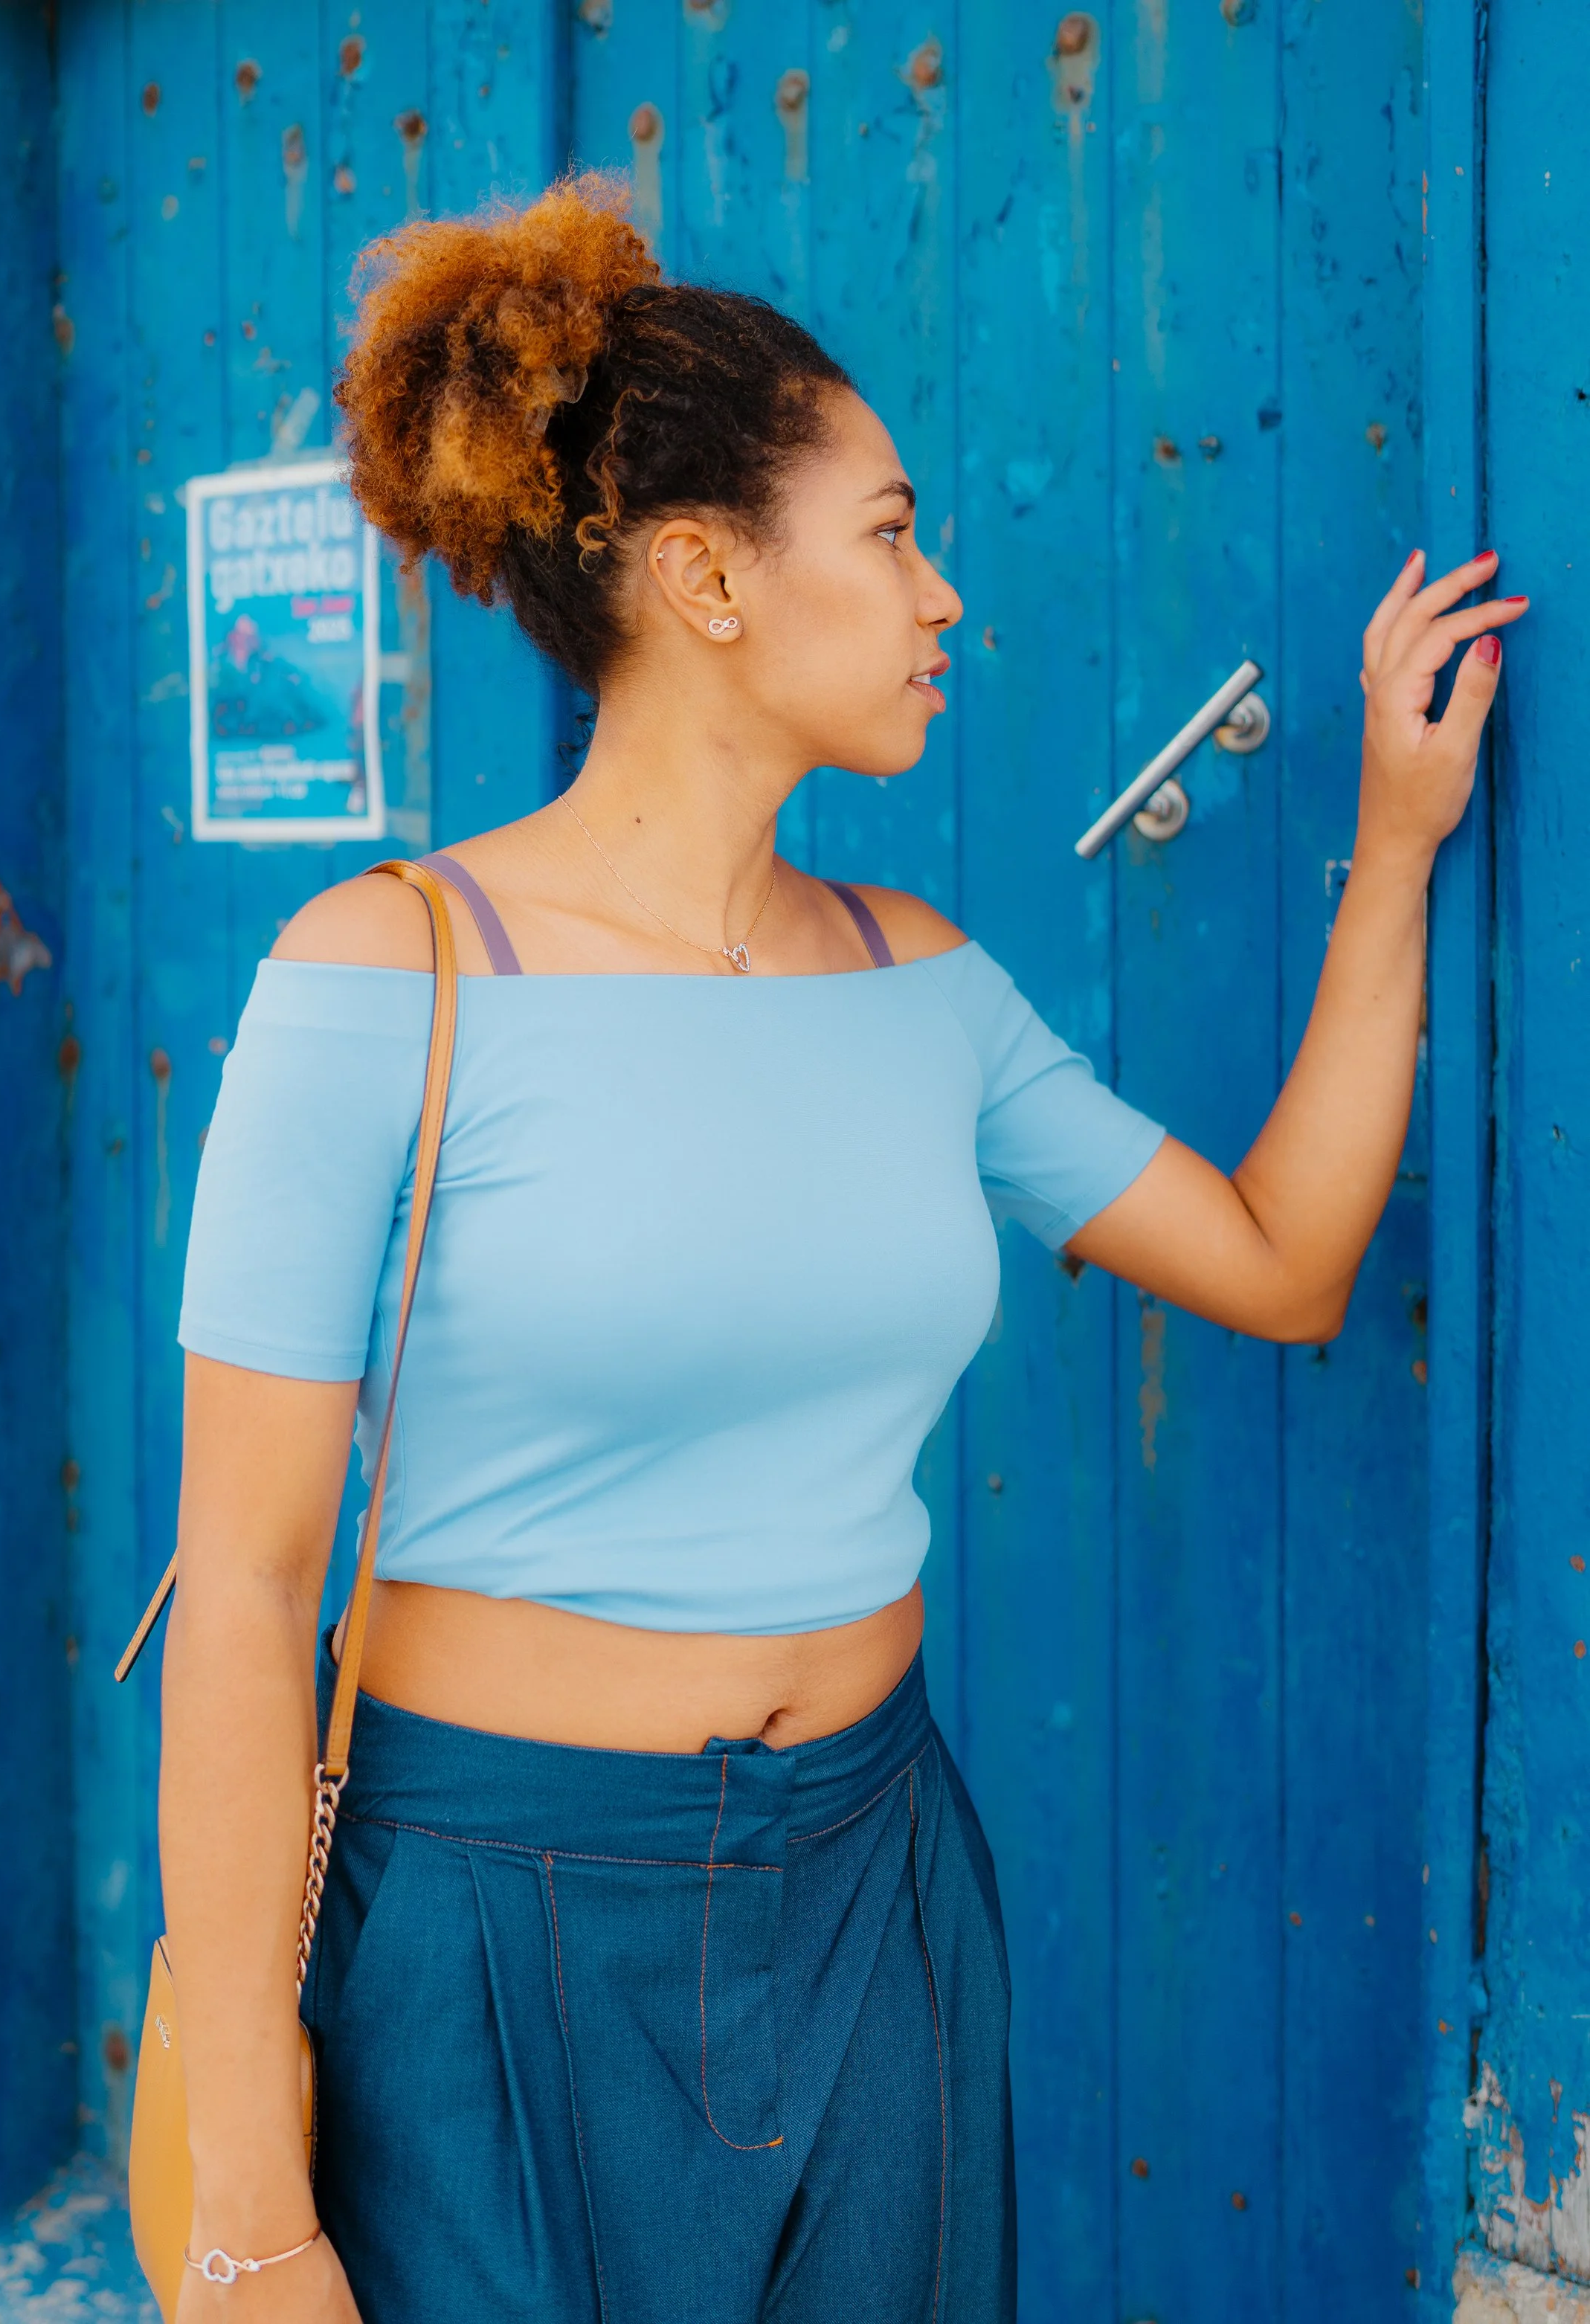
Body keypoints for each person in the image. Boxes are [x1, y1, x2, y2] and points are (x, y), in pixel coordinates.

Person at [157, 176, 1524, 2324]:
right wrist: (249, 2190)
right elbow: (241, 1586)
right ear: (704, 572)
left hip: (883, 1878)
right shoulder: (381, 979)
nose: (940, 590)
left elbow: (1277, 1257)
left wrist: (1395, 848)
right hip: (499, 1913)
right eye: (888, 532)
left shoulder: (924, 986)